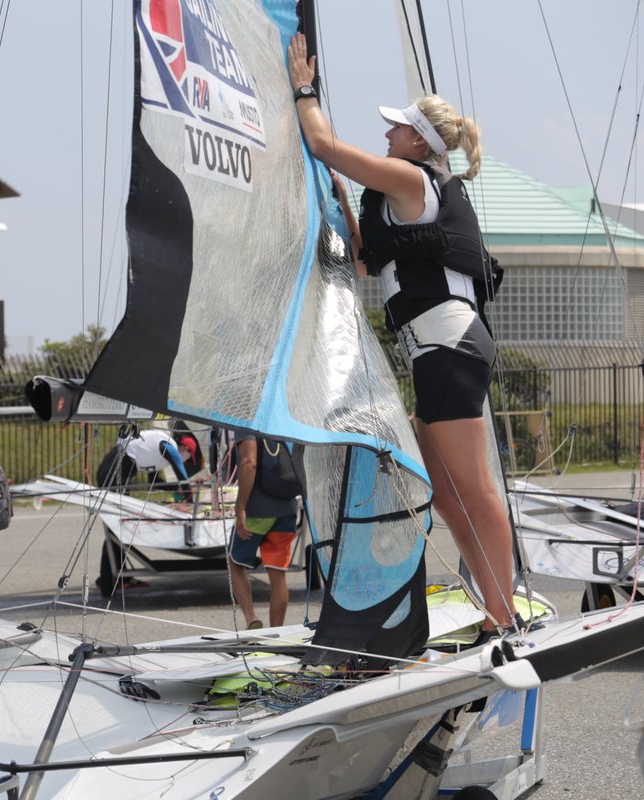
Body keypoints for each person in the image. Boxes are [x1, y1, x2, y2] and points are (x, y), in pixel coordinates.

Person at [287, 33, 516, 638]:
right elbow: (369, 262)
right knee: (444, 493)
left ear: (420, 141)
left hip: (450, 347)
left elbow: (323, 143)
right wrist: (340, 202)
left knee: (473, 489)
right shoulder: (403, 193)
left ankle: (503, 615)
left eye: (398, 127)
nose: (387, 133)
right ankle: (491, 602)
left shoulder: (411, 179)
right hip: (435, 353)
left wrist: (304, 89)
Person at [94, 426, 198, 597]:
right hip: (114, 473)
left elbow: (155, 482)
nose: (185, 460)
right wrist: (191, 502)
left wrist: (176, 489)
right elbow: (182, 476)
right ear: (185, 448)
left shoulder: (156, 449)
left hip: (115, 471)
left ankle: (119, 577)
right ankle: (107, 581)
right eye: (188, 456)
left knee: (120, 529)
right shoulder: (168, 447)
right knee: (115, 529)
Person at [229, 435, 299, 629]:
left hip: (257, 511)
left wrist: (240, 507)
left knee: (235, 564)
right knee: (278, 575)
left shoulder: (248, 423)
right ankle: (276, 632)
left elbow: (249, 462)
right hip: (287, 508)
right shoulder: (283, 422)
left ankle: (252, 619)